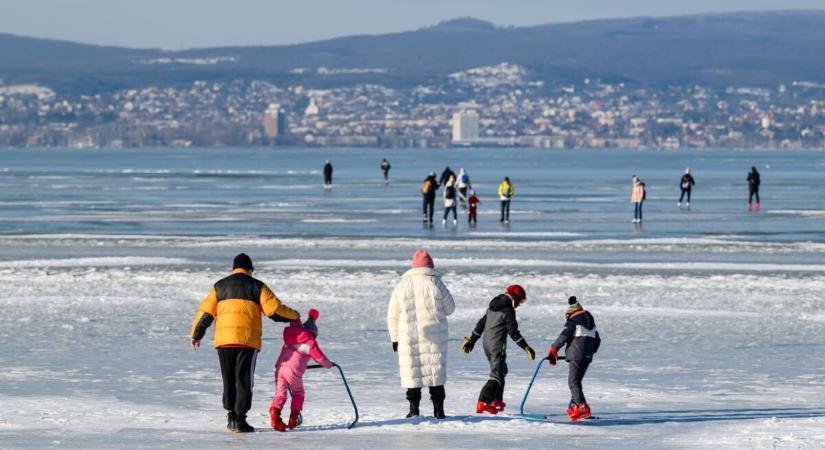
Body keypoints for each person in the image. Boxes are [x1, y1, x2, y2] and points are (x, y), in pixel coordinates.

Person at [190, 253, 300, 433]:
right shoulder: (257, 286)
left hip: (224, 342)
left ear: (233, 268)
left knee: (229, 379)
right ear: (250, 270)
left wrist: (196, 334)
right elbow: (275, 310)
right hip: (246, 341)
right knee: (243, 380)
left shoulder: (220, 286)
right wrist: (294, 315)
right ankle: (240, 420)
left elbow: (206, 313)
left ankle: (231, 418)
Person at [387, 249, 456, 419]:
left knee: (413, 374)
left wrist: (395, 338)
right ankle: (439, 410)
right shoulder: (436, 283)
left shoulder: (402, 285)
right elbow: (450, 308)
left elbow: (392, 315)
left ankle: (413, 410)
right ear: (430, 267)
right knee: (435, 374)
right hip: (434, 338)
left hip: (408, 338)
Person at [461, 285, 535, 415]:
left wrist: (471, 340)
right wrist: (526, 347)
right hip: (497, 346)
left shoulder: (493, 306)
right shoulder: (508, 310)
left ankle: (495, 400)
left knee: (502, 370)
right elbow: (513, 332)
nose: (519, 305)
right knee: (496, 375)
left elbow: (480, 325)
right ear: (515, 298)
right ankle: (483, 401)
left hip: (487, 345)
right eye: (520, 301)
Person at [269, 308, 334, 432]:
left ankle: (275, 417)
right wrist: (329, 364)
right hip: (293, 371)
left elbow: (295, 323)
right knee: (298, 393)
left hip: (279, 367)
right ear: (313, 334)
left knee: (280, 394)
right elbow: (320, 358)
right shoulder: (310, 343)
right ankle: (293, 419)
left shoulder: (292, 336)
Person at [546, 296, 601, 422]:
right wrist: (588, 352)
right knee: (577, 382)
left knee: (573, 382)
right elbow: (597, 341)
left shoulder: (574, 321)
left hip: (576, 356)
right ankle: (580, 408)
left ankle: (581, 407)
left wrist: (553, 350)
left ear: (571, 313)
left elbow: (563, 336)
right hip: (586, 357)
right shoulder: (592, 325)